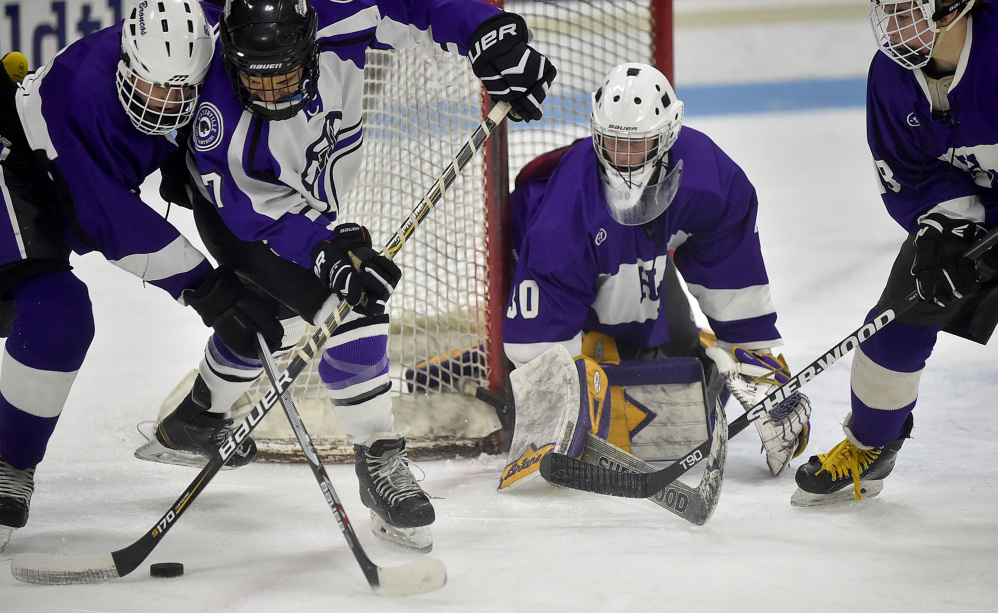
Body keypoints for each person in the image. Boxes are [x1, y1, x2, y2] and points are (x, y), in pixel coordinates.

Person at [134, 0, 555, 551]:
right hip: (245, 214)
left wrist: (488, 33)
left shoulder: (343, 19)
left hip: (306, 200)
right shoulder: (220, 123)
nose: (272, 96)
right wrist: (324, 253)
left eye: (284, 78)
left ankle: (194, 420)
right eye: (254, 83)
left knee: (271, 320)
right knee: (348, 302)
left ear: (308, 49)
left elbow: (422, 7)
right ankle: (380, 460)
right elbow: (253, 215)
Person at [0, 0, 286, 552]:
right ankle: (9, 464)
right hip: (17, 164)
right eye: (153, 86)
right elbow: (107, 218)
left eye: (182, 90)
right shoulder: (79, 88)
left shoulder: (201, 45)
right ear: (126, 61)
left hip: (55, 191)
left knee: (49, 314)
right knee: (55, 314)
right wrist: (208, 288)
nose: (167, 103)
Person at [499, 62, 810, 489]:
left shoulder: (710, 181)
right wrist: (568, 402)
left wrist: (761, 368)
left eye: (639, 144)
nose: (624, 159)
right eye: (612, 143)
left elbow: (732, 276)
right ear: (595, 133)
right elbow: (534, 346)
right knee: (595, 365)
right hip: (539, 272)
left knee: (670, 349)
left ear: (668, 136)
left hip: (639, 260)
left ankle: (678, 346)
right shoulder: (566, 212)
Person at [792, 0, 998, 506]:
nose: (894, 25)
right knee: (892, 328)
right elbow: (910, 176)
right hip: (972, 218)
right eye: (889, 10)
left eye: (908, 10)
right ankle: (871, 446)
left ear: (955, 9)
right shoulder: (890, 76)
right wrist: (943, 229)